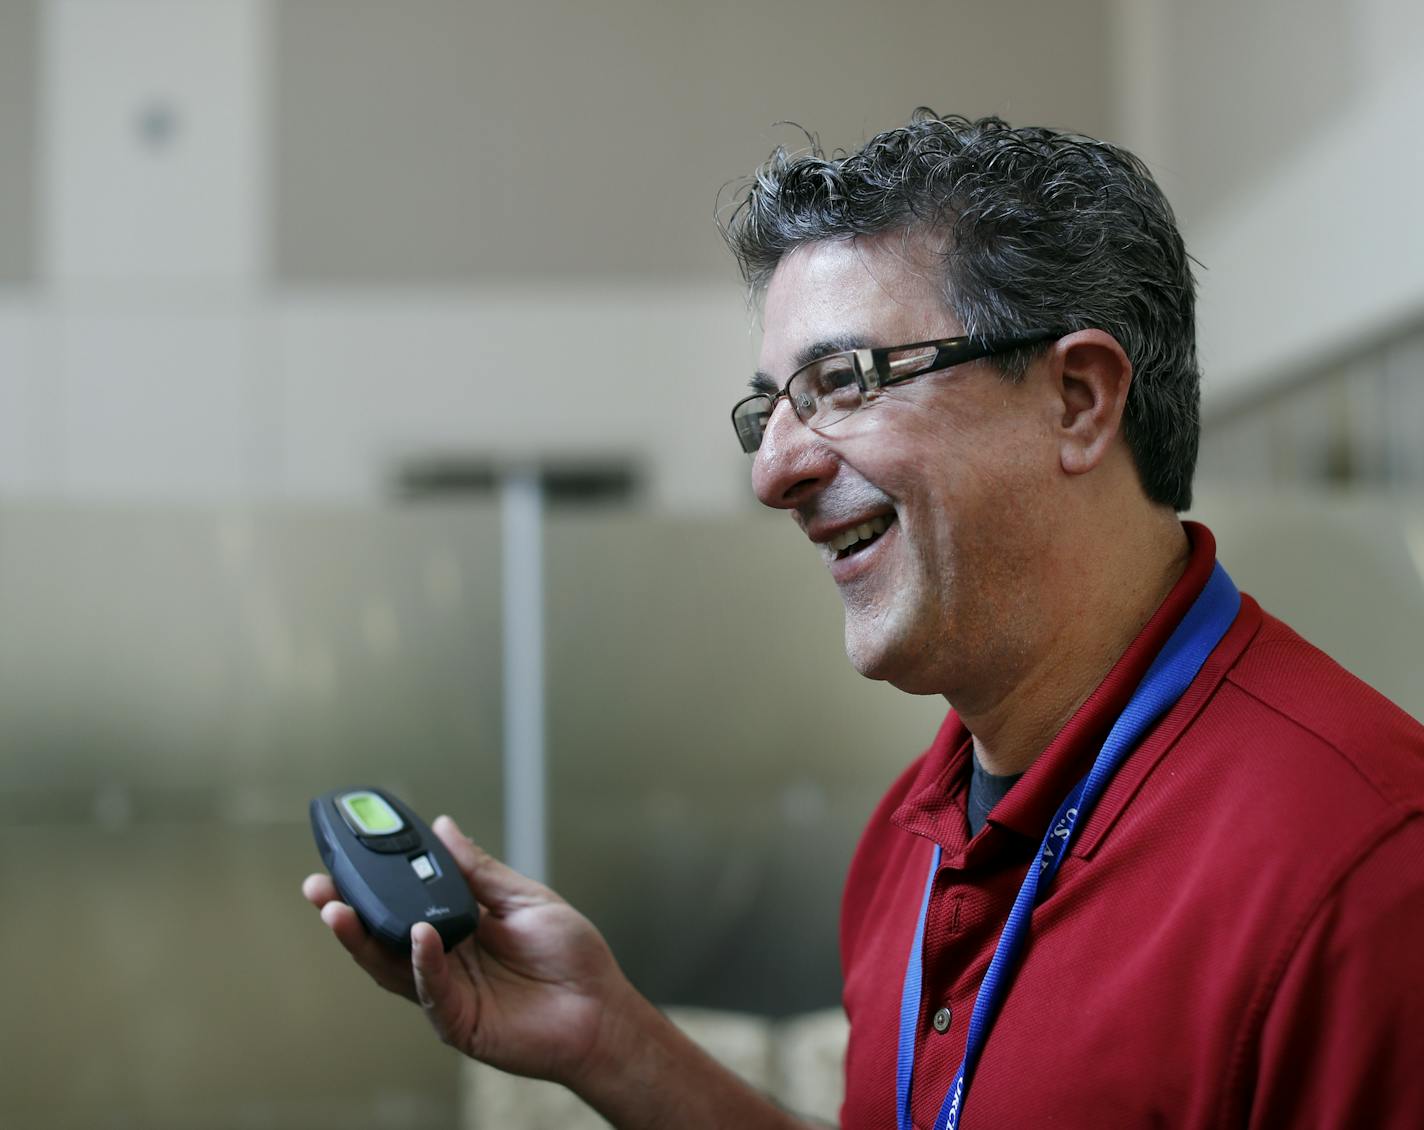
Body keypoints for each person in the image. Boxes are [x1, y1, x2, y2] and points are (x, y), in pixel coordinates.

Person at [303, 111, 1424, 1128]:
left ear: (1076, 399)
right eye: (769, 405)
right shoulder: (911, 837)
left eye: (841, 382)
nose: (772, 470)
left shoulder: (1363, 877)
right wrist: (610, 1036)